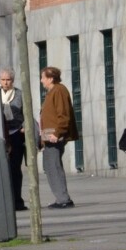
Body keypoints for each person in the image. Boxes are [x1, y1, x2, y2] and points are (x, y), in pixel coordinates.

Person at [39, 66, 79, 208]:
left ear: (50, 78)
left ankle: (63, 199)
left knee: (53, 166)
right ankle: (61, 198)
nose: (41, 80)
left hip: (54, 136)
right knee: (50, 166)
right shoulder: (52, 92)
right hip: (49, 135)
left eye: (43, 77)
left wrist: (58, 133)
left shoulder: (59, 90)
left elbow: (63, 114)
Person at [0, 69, 27, 211]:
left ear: (12, 81)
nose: (5, 82)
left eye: (8, 80)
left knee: (15, 168)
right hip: (1, 134)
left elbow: (27, 113)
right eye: (3, 80)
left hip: (16, 133)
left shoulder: (20, 94)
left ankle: (17, 200)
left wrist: (25, 127)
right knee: (2, 169)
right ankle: (4, 201)